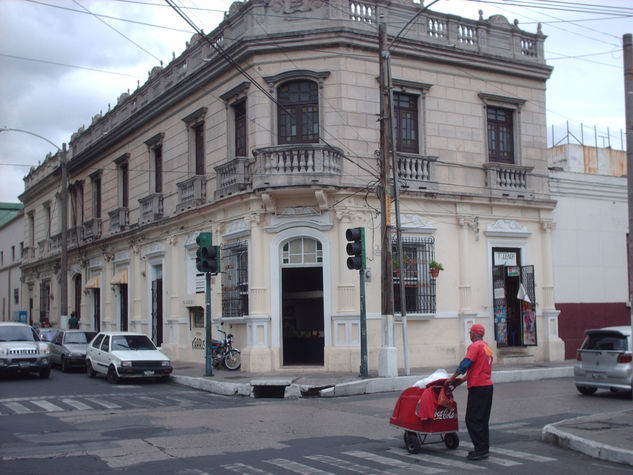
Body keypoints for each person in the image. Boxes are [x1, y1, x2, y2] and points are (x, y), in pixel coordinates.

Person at [445, 323, 493, 461]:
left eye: (470, 333)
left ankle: (480, 449)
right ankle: (484, 448)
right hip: (487, 386)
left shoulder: (474, 346)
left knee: (472, 419)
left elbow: (465, 364)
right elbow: (478, 368)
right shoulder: (487, 347)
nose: (470, 335)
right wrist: (462, 381)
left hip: (478, 387)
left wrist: (451, 379)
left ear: (473, 334)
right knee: (482, 420)